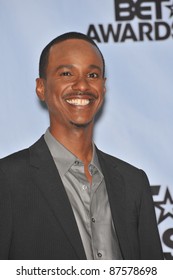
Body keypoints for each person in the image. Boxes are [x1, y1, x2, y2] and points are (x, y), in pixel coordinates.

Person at [0, 32, 163, 260]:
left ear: (103, 88)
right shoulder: (7, 180)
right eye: (67, 73)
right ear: (41, 88)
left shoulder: (133, 182)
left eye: (93, 74)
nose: (82, 85)